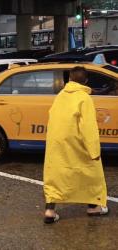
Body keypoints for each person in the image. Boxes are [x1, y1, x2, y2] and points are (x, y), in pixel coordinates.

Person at [43, 66, 108, 224]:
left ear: (70, 79)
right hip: (76, 141)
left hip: (57, 142)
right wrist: (94, 151)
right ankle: (93, 206)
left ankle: (50, 210)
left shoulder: (60, 95)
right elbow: (88, 127)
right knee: (92, 172)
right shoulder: (84, 98)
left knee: (56, 174)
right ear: (86, 81)